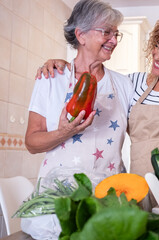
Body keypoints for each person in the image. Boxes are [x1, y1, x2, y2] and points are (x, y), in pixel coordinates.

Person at [36, 15, 159, 177]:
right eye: (157, 46)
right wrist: (65, 65)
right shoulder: (135, 83)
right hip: (139, 180)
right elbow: (102, 80)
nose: (157, 56)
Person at [26, 0, 133, 182]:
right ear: (81, 35)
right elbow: (31, 143)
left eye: (116, 34)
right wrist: (64, 133)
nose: (114, 40)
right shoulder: (51, 78)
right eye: (106, 32)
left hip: (109, 194)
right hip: (58, 194)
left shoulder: (124, 84)